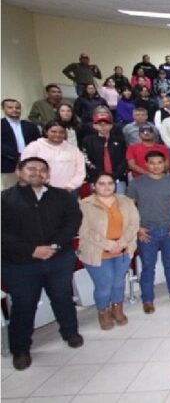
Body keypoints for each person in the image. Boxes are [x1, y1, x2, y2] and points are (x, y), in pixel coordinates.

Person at [1, 157, 84, 370]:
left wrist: (55, 245)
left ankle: (70, 332)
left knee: (63, 297)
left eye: (42, 169)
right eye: (31, 168)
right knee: (24, 305)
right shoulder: (5, 199)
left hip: (58, 258)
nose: (37, 172)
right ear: (19, 172)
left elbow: (73, 221)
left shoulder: (61, 196)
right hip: (20, 264)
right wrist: (32, 249)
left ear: (48, 175)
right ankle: (20, 350)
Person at [77, 173, 139, 330]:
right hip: (97, 251)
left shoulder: (125, 201)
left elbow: (134, 224)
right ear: (94, 186)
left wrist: (122, 242)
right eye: (102, 183)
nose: (107, 187)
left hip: (123, 249)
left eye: (110, 183)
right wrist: (108, 244)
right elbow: (84, 230)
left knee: (118, 283)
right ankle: (103, 312)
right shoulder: (85, 204)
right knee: (104, 285)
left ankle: (117, 308)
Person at [127, 151, 170, 313]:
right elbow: (129, 208)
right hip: (147, 231)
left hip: (169, 229)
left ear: (164, 164)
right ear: (146, 164)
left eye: (159, 162)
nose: (156, 166)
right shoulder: (137, 183)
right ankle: (147, 300)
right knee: (148, 267)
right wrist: (137, 228)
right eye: (152, 163)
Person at [21, 120, 86, 195]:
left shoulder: (73, 150)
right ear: (46, 132)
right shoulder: (34, 147)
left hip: (69, 191)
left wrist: (70, 186)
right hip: (41, 190)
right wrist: (43, 184)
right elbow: (26, 168)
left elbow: (80, 171)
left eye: (61, 132)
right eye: (53, 132)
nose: (57, 135)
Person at [81, 110, 128, 194]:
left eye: (106, 124)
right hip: (96, 179)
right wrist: (99, 174)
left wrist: (116, 174)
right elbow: (86, 159)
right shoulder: (87, 141)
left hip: (118, 179)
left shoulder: (120, 141)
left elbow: (125, 159)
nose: (103, 127)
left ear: (111, 125)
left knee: (119, 200)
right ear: (94, 126)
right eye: (100, 124)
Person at [2, 98, 40, 189]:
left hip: (30, 162)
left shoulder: (30, 125)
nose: (14, 110)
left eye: (17, 108)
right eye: (10, 107)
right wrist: (17, 156)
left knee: (30, 190)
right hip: (8, 164)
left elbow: (38, 142)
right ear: (3, 109)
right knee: (10, 191)